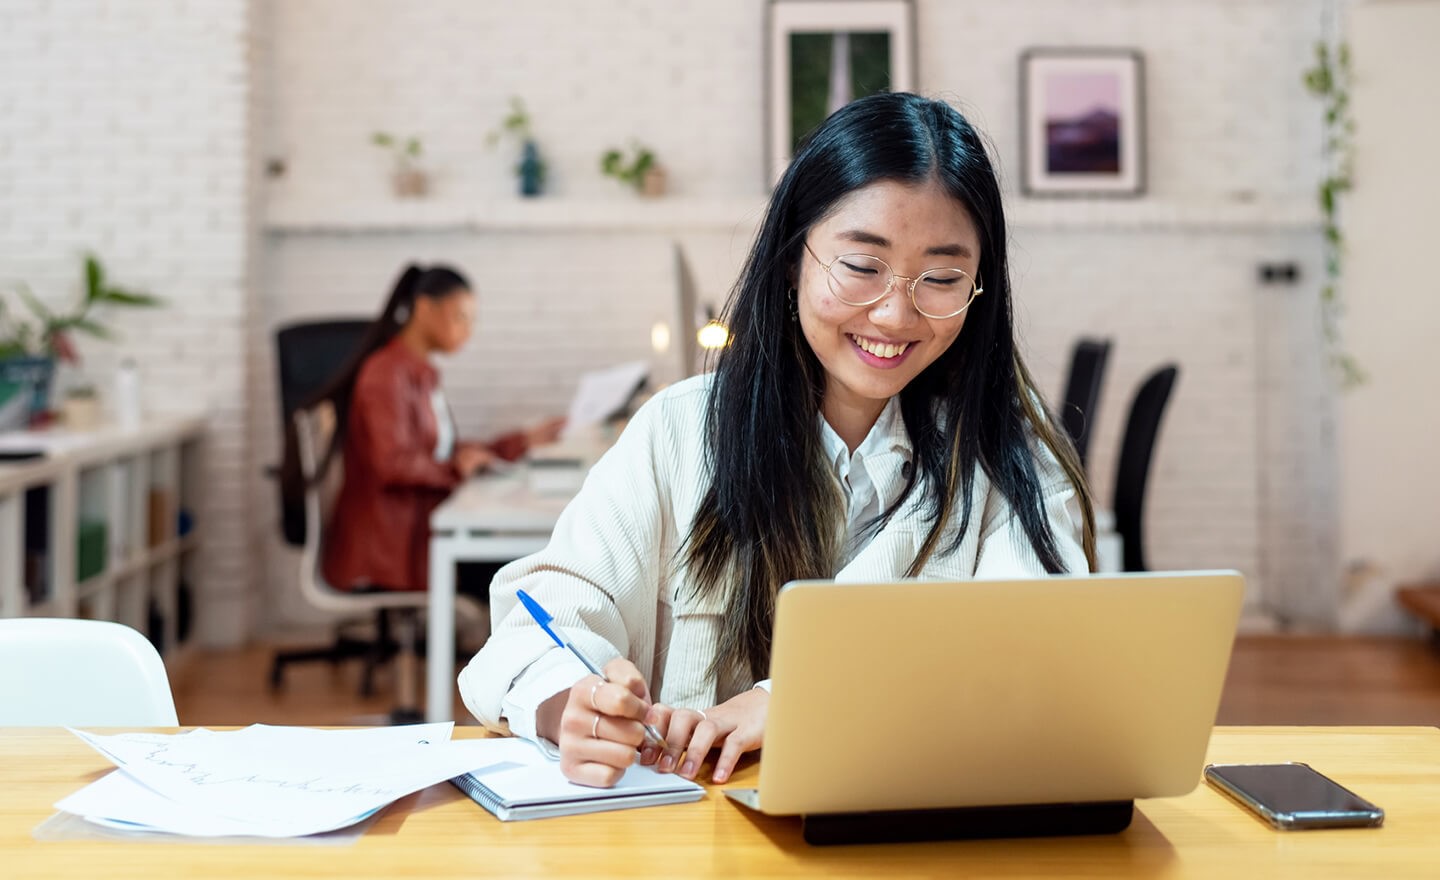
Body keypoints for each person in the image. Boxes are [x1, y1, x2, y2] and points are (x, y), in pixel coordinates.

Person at [459, 93, 1096, 788]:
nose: (894, 312)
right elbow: (541, 617)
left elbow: (1031, 656)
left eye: (941, 278)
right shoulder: (679, 431)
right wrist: (570, 704)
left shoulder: (1006, 454)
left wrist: (786, 702)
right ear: (794, 256)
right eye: (861, 266)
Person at [318, 264, 563, 595]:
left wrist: (521, 442)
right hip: (393, 547)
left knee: (525, 566)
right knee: (523, 577)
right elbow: (393, 463)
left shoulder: (419, 373)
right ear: (424, 309)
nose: (468, 330)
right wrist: (455, 469)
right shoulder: (386, 375)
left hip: (418, 529)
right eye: (460, 317)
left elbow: (443, 451)